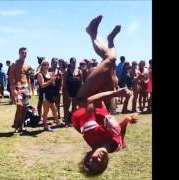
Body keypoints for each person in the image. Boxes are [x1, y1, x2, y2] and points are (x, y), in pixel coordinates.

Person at [72, 15, 138, 175]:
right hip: (100, 102)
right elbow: (118, 132)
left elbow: (89, 102)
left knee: (109, 60)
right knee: (111, 63)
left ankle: (92, 33)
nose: (99, 159)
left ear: (89, 154)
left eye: (93, 160)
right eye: (100, 165)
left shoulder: (91, 135)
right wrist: (127, 121)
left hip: (86, 98)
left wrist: (116, 92)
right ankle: (109, 40)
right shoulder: (116, 146)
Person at [9, 47, 32, 134]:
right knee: (19, 107)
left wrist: (30, 90)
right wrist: (12, 89)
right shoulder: (14, 64)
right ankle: (16, 126)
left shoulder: (27, 65)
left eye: (25, 53)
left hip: (25, 87)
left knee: (25, 108)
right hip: (18, 87)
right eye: (22, 53)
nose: (24, 54)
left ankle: (21, 126)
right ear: (19, 53)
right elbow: (11, 78)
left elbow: (29, 78)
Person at [37, 60, 64, 131]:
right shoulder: (40, 74)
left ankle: (58, 123)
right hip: (44, 94)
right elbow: (42, 85)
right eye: (44, 65)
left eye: (47, 65)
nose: (46, 66)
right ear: (42, 66)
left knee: (54, 110)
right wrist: (50, 81)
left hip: (51, 94)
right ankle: (46, 126)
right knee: (46, 111)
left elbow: (53, 84)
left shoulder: (50, 73)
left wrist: (53, 81)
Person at [65, 57, 83, 125]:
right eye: (72, 62)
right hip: (69, 91)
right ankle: (66, 121)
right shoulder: (67, 71)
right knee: (67, 107)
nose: (74, 63)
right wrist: (66, 93)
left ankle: (73, 121)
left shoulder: (79, 71)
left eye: (75, 62)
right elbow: (65, 83)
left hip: (77, 91)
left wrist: (81, 92)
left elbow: (81, 83)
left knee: (74, 107)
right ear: (70, 63)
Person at [59, 59, 69, 126]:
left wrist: (61, 89)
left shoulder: (66, 71)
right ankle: (62, 118)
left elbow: (64, 82)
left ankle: (66, 120)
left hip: (66, 90)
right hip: (60, 89)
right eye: (59, 63)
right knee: (62, 105)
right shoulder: (58, 71)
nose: (59, 64)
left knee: (66, 106)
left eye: (60, 63)